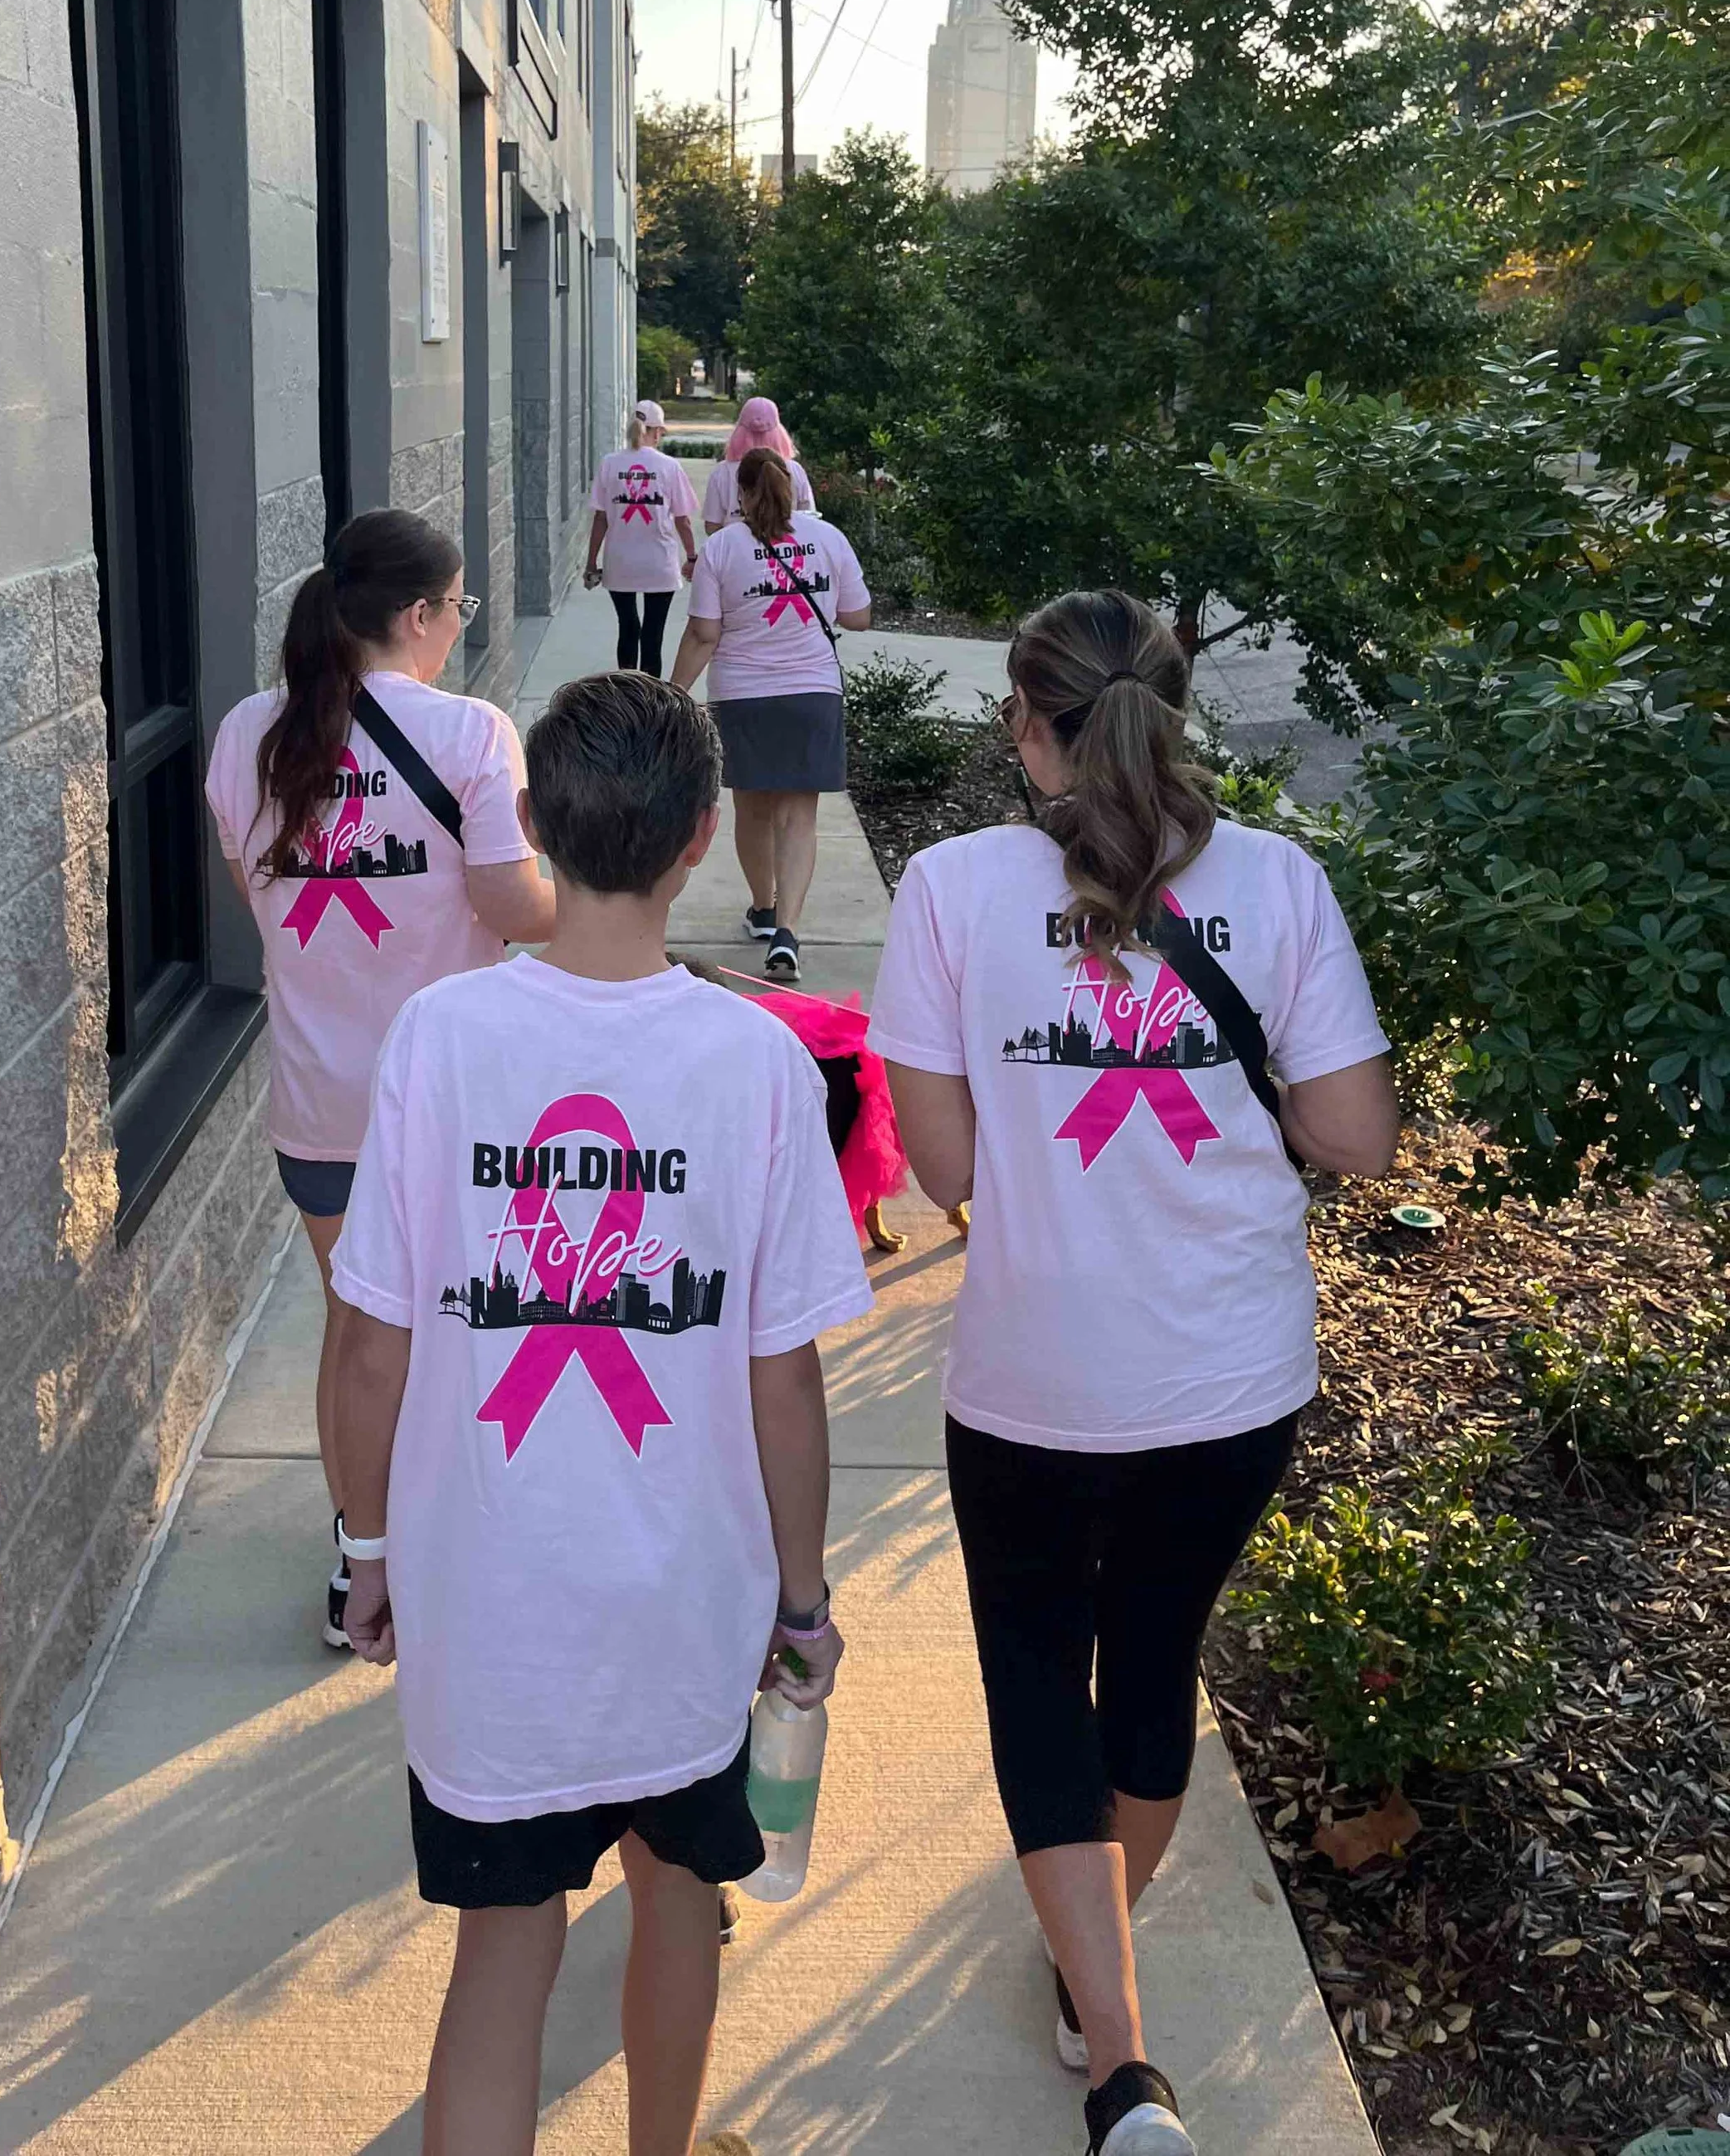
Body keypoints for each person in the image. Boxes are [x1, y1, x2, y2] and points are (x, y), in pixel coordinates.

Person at [866, 588, 1398, 2156]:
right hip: (1230, 1379)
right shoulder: (1281, 883)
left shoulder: (955, 892)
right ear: (1174, 710)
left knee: (1039, 1682)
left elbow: (942, 1163)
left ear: (1029, 729)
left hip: (1034, 1373)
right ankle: (1084, 1974)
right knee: (1153, 1661)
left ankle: (1123, 2066)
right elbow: (1361, 1139)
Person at [331, 672, 873, 2156]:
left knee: (501, 1958)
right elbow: (782, 1371)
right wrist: (805, 1595)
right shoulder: (758, 1062)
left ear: (527, 824)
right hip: (681, 1602)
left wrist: (368, 1546)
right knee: (677, 1903)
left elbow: (370, 1343)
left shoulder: (440, 1039)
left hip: (490, 1600)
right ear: (703, 835)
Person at [205, 509, 555, 1652]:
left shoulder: (247, 735)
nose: (458, 629)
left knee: (359, 1329)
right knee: (463, 1327)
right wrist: (586, 895)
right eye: (457, 610)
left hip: (319, 1102)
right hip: (455, 1101)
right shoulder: (469, 733)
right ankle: (451, 1546)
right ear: (418, 616)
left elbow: (260, 892)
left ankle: (362, 1558)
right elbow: (511, 907)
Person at [671, 446, 870, 984]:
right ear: (797, 488)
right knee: (797, 816)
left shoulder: (722, 548)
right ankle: (787, 931)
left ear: (741, 492)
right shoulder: (828, 539)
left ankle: (763, 908)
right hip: (813, 694)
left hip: (743, 695)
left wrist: (673, 690)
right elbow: (858, 615)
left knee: (752, 807)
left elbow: (703, 633)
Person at [583, 399, 700, 675]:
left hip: (620, 560)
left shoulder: (610, 464)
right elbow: (683, 520)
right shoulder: (669, 466)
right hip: (659, 562)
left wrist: (591, 562)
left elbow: (601, 518)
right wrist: (692, 557)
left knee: (627, 627)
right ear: (657, 431)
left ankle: (625, 691)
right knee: (653, 634)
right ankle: (650, 698)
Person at [701, 393, 815, 535]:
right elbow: (809, 517)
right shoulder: (794, 470)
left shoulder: (722, 472)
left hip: (738, 553)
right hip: (789, 551)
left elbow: (712, 526)